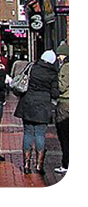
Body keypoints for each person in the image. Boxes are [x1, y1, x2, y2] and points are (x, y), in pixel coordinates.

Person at [13, 49, 59, 175]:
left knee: (28, 132)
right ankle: (39, 165)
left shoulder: (32, 67)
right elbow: (55, 93)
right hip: (43, 106)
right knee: (40, 134)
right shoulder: (52, 73)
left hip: (27, 103)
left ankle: (26, 164)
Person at [54, 44, 69, 174]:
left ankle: (66, 163)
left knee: (64, 134)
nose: (58, 57)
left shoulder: (66, 67)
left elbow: (62, 86)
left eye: (60, 54)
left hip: (65, 103)